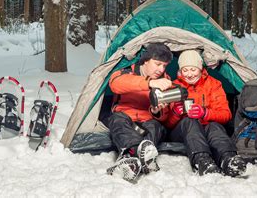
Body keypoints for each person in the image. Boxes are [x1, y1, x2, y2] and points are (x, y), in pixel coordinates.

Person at [163, 49, 247, 177]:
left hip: (207, 127)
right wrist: (175, 114)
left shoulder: (214, 84)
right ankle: (202, 161)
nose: (189, 74)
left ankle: (228, 159)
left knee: (214, 126)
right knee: (189, 121)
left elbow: (226, 115)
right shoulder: (173, 87)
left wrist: (205, 113)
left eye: (193, 70)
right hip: (183, 131)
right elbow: (166, 124)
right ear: (180, 70)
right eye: (185, 70)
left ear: (200, 68)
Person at [106, 42, 173, 182]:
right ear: (146, 61)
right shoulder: (127, 71)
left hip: (147, 119)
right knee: (117, 119)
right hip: (126, 117)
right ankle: (137, 155)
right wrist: (149, 83)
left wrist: (157, 112)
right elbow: (116, 84)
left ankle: (132, 158)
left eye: (164, 65)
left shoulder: (165, 80)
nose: (161, 69)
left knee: (156, 126)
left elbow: (166, 114)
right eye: (157, 64)